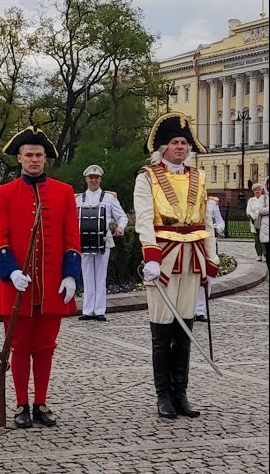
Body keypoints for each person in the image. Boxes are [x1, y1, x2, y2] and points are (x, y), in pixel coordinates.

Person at [0, 127, 81, 429]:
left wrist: (70, 275)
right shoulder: (6, 192)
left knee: (45, 347)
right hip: (17, 286)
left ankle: (40, 402)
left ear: (45, 159)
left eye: (39, 155)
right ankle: (21, 404)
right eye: (28, 155)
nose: (34, 160)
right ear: (19, 158)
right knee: (19, 347)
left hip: (52, 286)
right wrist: (11, 270)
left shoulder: (64, 191)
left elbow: (71, 237)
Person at [134, 112, 218, 419]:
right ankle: (163, 396)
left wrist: (211, 260)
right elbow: (144, 219)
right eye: (174, 142)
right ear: (163, 148)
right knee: (162, 330)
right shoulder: (148, 177)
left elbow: (204, 220)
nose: (180, 147)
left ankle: (181, 393)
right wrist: (151, 257)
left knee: (185, 329)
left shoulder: (199, 177)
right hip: (164, 258)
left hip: (193, 256)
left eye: (184, 142)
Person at [76, 165, 127, 322]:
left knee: (100, 275)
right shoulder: (78, 199)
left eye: (96, 177)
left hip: (103, 240)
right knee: (87, 274)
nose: (93, 180)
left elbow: (122, 217)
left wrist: (120, 227)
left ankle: (99, 310)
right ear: (86, 179)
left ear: (100, 179)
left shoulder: (109, 198)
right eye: (90, 177)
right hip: (84, 241)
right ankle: (88, 310)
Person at [193, 197, 225, 322]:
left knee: (207, 277)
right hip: (192, 242)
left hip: (208, 244)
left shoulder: (211, 203)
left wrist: (217, 228)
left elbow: (220, 221)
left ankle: (200, 310)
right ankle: (190, 309)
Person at [247, 182, 266, 262]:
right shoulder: (251, 200)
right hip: (254, 221)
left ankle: (265, 254)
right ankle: (259, 255)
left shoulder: (265, 198)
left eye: (258, 190)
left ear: (261, 190)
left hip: (264, 221)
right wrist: (253, 217)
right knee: (256, 239)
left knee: (264, 239)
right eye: (255, 190)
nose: (257, 192)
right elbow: (248, 211)